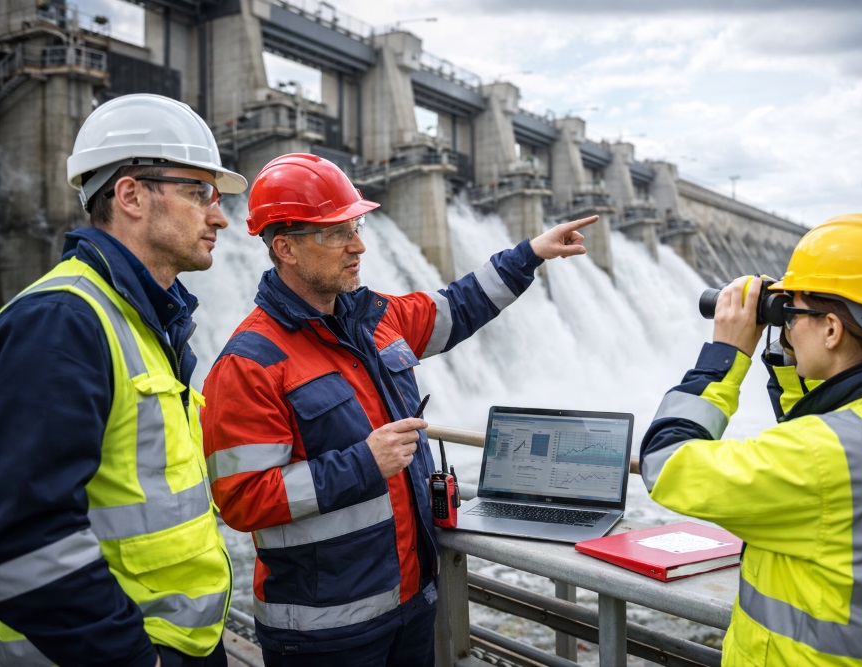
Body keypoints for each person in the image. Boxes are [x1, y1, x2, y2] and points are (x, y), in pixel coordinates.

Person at [200, 152, 596, 666]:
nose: (358, 245)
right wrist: (365, 462)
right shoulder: (249, 364)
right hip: (325, 633)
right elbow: (241, 500)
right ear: (286, 248)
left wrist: (531, 254)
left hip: (410, 604)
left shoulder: (374, 319)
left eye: (356, 225)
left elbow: (458, 306)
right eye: (337, 232)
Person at [640, 213, 862, 666]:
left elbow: (665, 461)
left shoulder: (820, 454)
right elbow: (833, 433)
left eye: (793, 313)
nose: (787, 326)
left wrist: (723, 358)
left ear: (831, 328)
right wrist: (792, 363)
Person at [0, 93, 248, 666]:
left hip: (181, 642)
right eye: (198, 192)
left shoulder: (143, 318)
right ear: (131, 195)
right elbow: (24, 538)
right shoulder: (61, 323)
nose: (219, 215)